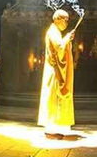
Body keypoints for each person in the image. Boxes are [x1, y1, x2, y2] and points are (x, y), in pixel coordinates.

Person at [38, 9, 77, 139]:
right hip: (54, 71)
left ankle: (56, 128)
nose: (66, 23)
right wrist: (68, 38)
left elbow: (60, 47)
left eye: (67, 20)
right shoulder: (53, 32)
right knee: (53, 98)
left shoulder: (55, 32)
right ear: (57, 19)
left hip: (54, 70)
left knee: (55, 98)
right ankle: (51, 129)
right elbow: (59, 48)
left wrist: (67, 39)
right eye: (64, 19)